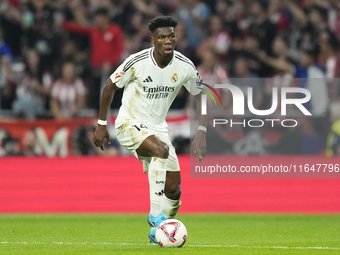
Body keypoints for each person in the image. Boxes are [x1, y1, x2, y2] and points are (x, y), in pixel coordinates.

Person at [93, 16, 206, 243]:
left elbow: (201, 94)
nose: (167, 41)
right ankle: (156, 218)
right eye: (162, 37)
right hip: (129, 123)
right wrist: (102, 124)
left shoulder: (185, 66)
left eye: (171, 36)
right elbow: (109, 87)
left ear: (176, 38)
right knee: (161, 150)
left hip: (158, 128)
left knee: (174, 192)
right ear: (153, 39)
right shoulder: (137, 62)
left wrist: (201, 130)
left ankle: (158, 232)